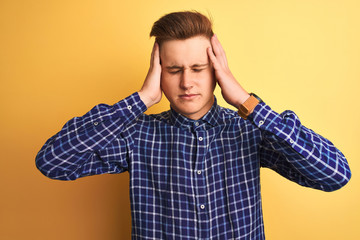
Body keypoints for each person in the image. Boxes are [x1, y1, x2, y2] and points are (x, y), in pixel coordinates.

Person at [35, 11, 351, 240]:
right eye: (174, 70)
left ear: (217, 70)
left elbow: (335, 174)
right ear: (159, 72)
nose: (187, 83)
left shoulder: (250, 130)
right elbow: (52, 161)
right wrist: (142, 99)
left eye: (198, 68)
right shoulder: (138, 135)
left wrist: (245, 100)